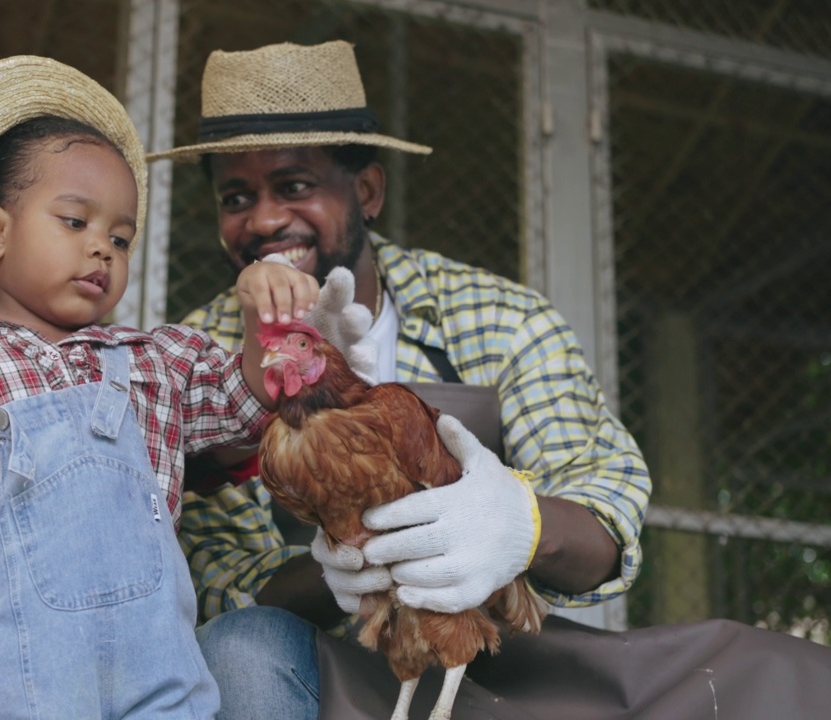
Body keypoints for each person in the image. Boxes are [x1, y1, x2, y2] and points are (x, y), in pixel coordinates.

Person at [150, 41, 831, 719]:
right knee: (239, 650)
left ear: (367, 190)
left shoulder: (500, 317)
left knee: (769, 669)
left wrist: (522, 524)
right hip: (315, 673)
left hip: (504, 667)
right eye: (237, 196)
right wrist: (341, 572)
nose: (265, 218)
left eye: (295, 185)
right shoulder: (198, 356)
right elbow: (215, 591)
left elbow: (607, 510)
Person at [0, 56, 344, 719]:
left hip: (164, 686)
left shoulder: (153, 361)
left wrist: (260, 321)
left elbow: (245, 407)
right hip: (23, 687)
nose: (102, 249)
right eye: (75, 222)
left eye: (121, 238)